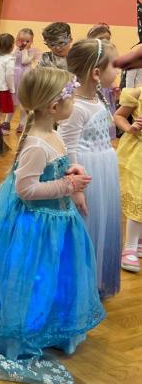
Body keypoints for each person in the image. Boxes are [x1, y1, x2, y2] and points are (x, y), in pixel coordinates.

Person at [0, 67, 104, 384]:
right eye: (70, 98)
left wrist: (72, 172)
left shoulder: (54, 134)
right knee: (32, 278)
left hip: (58, 223)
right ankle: (20, 332)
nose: (74, 103)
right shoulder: (37, 145)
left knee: (54, 277)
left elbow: (56, 168)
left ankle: (49, 326)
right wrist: (68, 185)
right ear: (54, 107)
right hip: (36, 227)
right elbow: (26, 190)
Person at [60, 39, 120, 297]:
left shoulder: (98, 97)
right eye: (114, 65)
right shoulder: (75, 107)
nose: (117, 70)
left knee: (102, 222)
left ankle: (93, 282)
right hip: (86, 174)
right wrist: (76, 188)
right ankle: (77, 289)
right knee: (86, 225)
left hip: (104, 169)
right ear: (96, 73)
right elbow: (68, 148)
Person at [114, 73, 142, 273]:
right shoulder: (138, 92)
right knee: (138, 197)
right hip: (138, 153)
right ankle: (130, 245)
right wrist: (130, 128)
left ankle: (138, 240)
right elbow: (119, 116)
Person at [12, 28, 40, 133]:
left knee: (23, 104)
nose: (24, 43)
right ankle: (6, 122)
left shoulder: (32, 52)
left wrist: (24, 50)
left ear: (32, 41)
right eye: (21, 40)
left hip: (25, 79)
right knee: (12, 103)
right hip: (14, 78)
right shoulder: (15, 50)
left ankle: (22, 124)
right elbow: (11, 58)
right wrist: (16, 48)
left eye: (27, 41)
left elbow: (24, 61)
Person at [0, 33, 16, 134]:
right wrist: (12, 88)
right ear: (11, 46)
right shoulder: (9, 59)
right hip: (2, 88)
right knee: (0, 112)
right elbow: (9, 75)